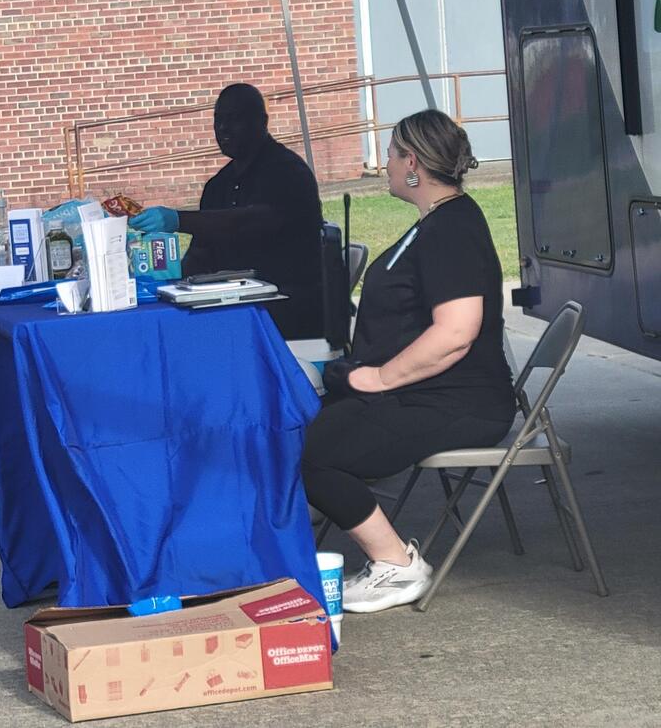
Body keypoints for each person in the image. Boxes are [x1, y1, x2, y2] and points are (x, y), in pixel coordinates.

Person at [302, 110, 516, 613]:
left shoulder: (452, 229)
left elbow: (457, 332)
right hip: (422, 393)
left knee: (313, 452)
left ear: (413, 162)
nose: (389, 165)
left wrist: (378, 377)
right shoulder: (435, 222)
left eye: (393, 154)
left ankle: (396, 565)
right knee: (302, 427)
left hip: (455, 401)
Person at [130, 83, 324, 340]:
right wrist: (170, 285)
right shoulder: (218, 185)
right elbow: (201, 252)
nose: (223, 129)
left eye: (234, 119)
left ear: (262, 121)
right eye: (218, 120)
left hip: (285, 304)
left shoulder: (288, 172)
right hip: (228, 303)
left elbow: (248, 223)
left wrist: (178, 220)